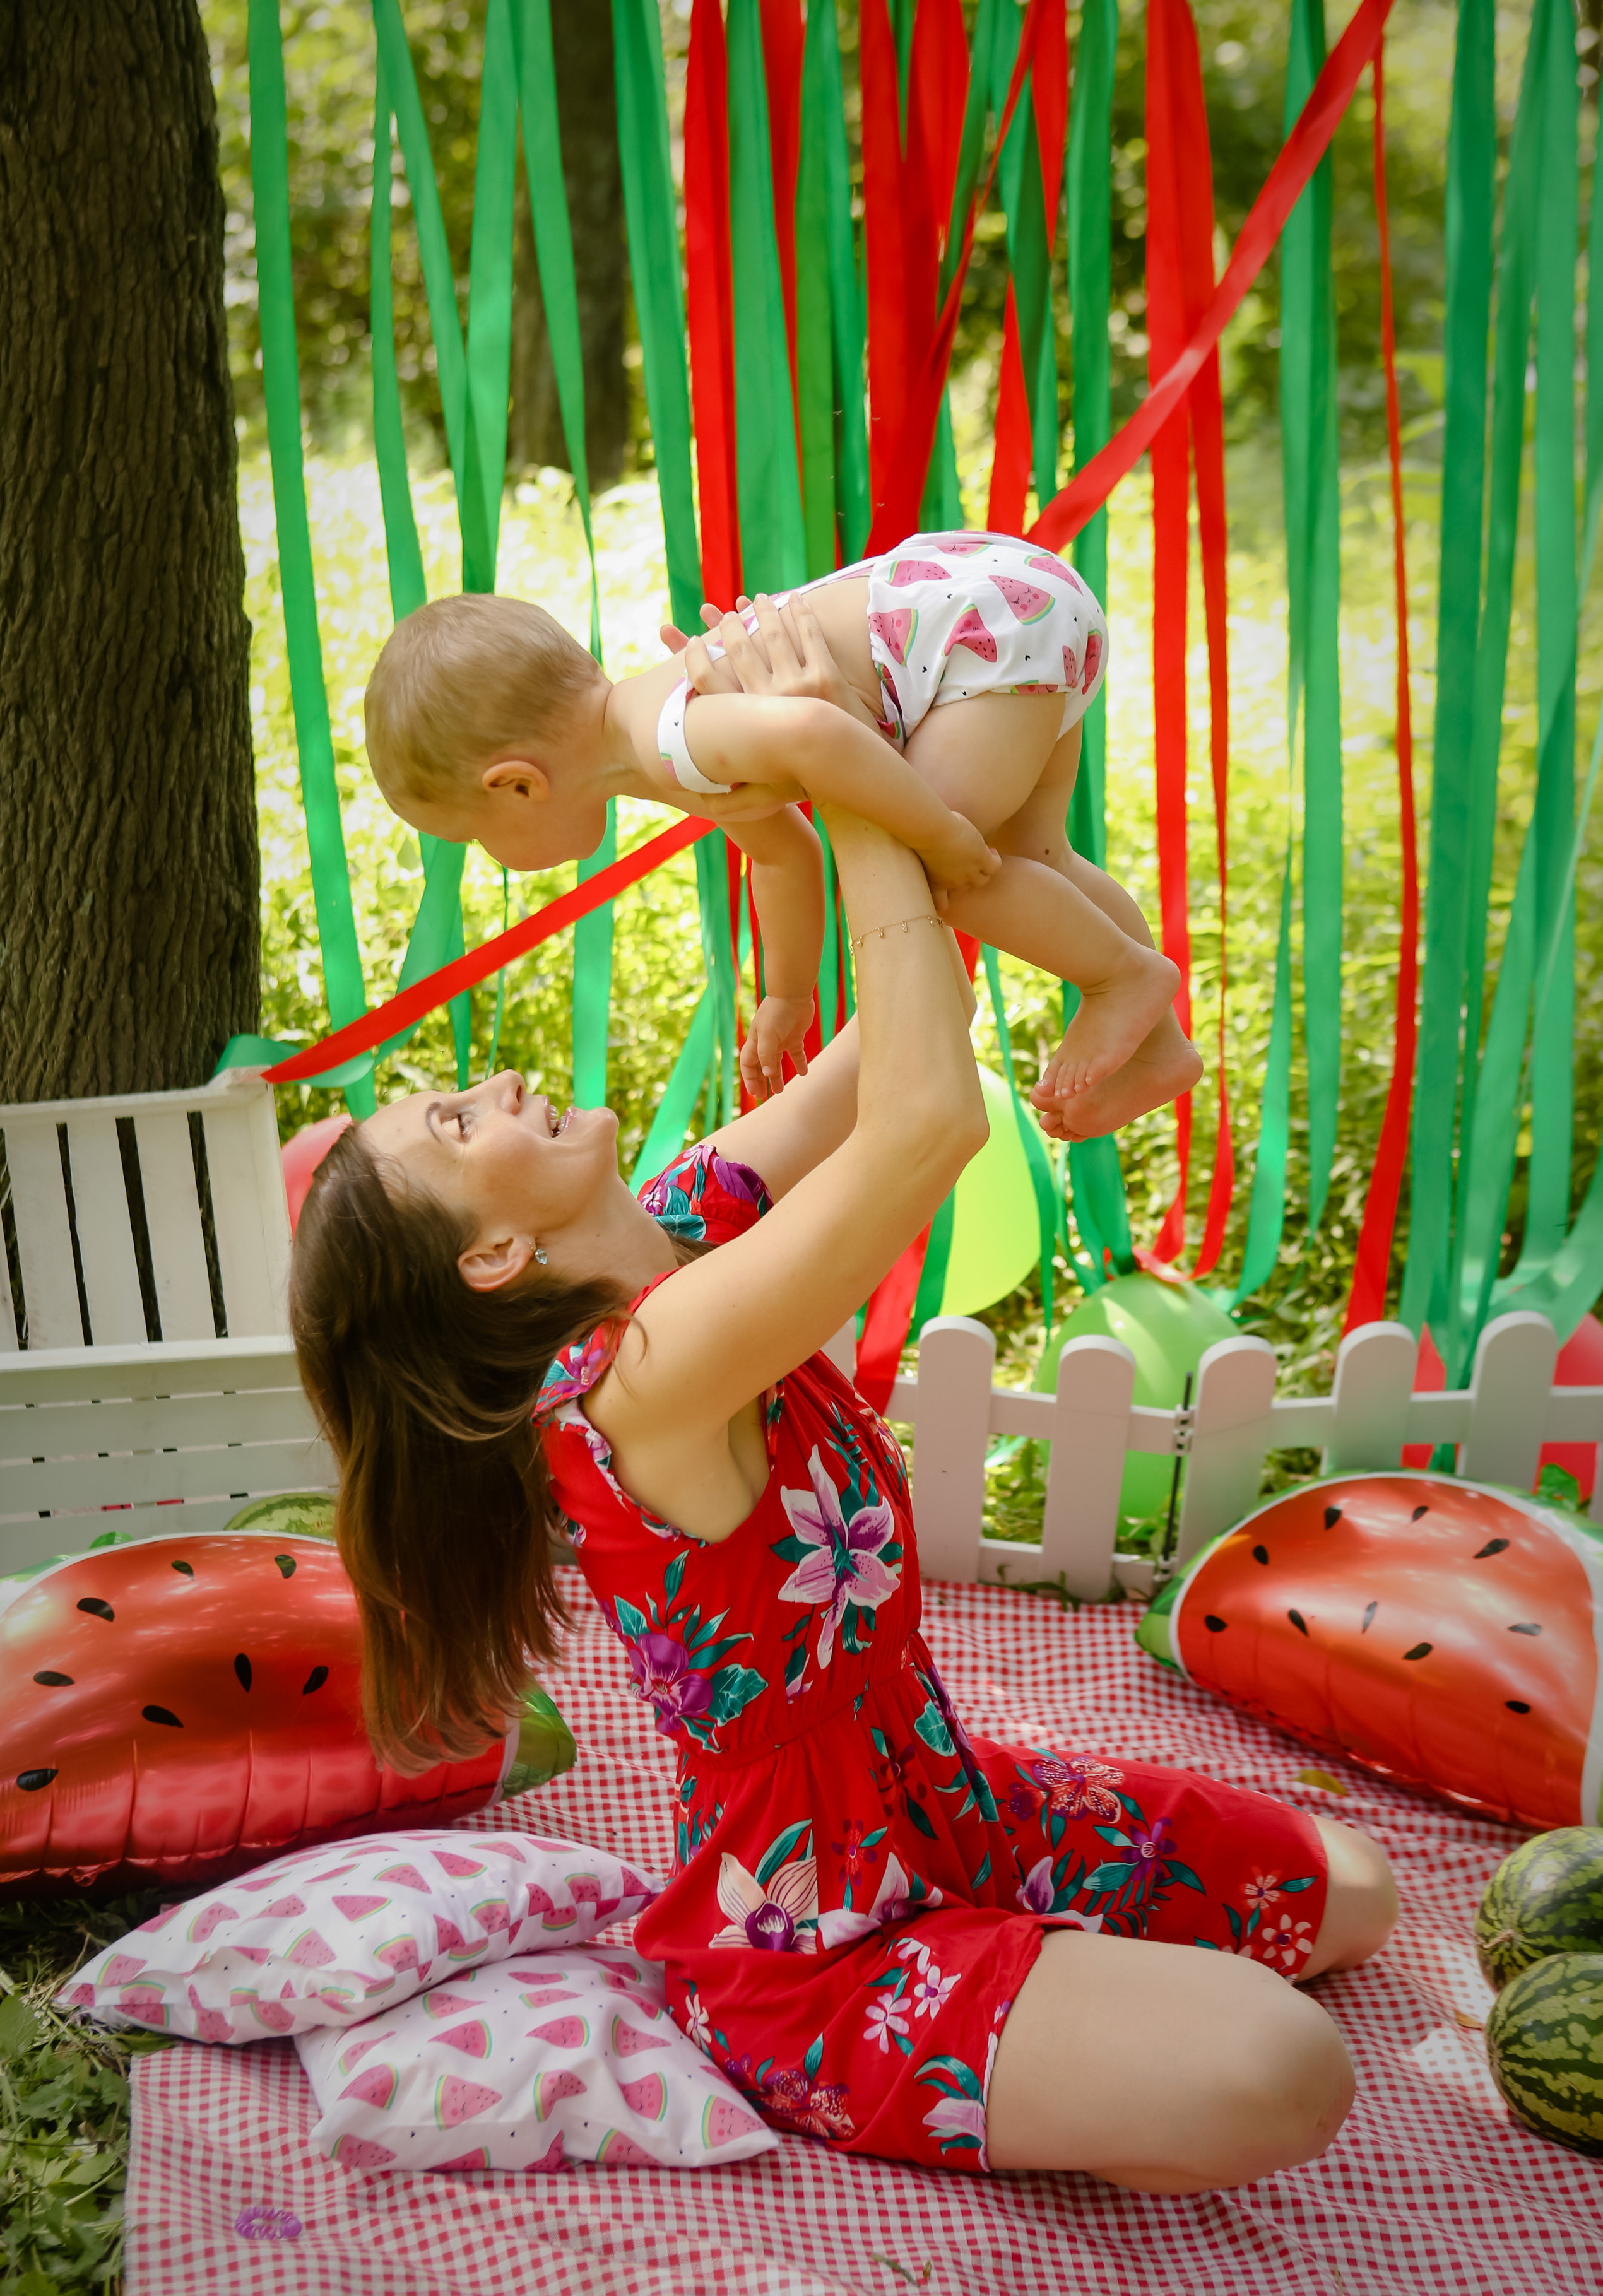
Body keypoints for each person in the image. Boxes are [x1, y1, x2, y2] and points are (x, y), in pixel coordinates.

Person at [293, 597, 1394, 2191]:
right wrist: (862, 767)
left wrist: (854, 807)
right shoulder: (641, 1383)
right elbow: (926, 1124)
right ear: (493, 1260)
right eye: (458, 1126)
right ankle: (915, 2011)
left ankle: (1030, 1958)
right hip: (808, 1935)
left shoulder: (680, 1228)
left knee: (1347, 1901)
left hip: (941, 1804)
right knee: (1277, 2068)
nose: (493, 1082)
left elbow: (895, 1032)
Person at [361, 533, 1202, 1143]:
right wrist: (787, 994)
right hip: (1011, 608)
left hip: (971, 645)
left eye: (475, 840)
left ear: (517, 784)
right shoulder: (654, 734)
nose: (491, 859)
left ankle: (1123, 978)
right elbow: (781, 851)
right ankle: (1159, 1046)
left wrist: (937, 832)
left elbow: (818, 737)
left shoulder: (673, 735)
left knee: (947, 873)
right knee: (1036, 862)